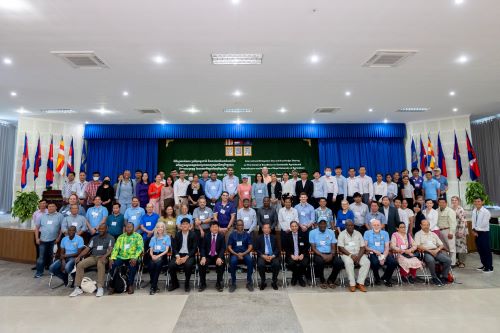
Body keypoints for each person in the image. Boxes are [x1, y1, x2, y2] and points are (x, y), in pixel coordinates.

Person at [70, 224, 114, 297]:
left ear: (106, 229)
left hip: (104, 257)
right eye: (99, 229)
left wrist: (105, 256)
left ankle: (100, 287)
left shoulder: (110, 238)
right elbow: (87, 249)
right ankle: (77, 287)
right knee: (80, 264)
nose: (100, 230)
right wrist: (79, 256)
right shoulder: (94, 238)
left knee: (100, 263)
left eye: (102, 229)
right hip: (93, 257)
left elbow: (110, 249)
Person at [109, 222, 144, 294]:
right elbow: (116, 248)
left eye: (130, 227)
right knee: (113, 265)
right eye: (127, 227)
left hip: (133, 257)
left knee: (132, 265)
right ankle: (113, 285)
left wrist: (135, 257)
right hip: (121, 257)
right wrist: (112, 258)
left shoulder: (138, 236)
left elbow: (140, 248)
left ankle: (130, 285)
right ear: (125, 228)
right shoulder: (121, 237)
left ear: (133, 228)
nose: (128, 228)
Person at [414, 220, 452, 286]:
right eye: (424, 225)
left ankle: (444, 277)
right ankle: (434, 278)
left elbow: (441, 244)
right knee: (431, 260)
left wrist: (437, 250)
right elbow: (418, 246)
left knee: (448, 260)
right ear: (421, 226)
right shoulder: (418, 234)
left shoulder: (433, 234)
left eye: (427, 225)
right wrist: (430, 251)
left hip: (436, 251)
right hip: (425, 252)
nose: (426, 226)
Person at [338, 220, 370, 292]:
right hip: (347, 254)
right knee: (349, 263)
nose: (350, 227)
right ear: (345, 226)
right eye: (348, 225)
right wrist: (350, 255)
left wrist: (358, 257)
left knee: (366, 262)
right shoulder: (342, 234)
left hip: (359, 254)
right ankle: (352, 284)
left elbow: (362, 247)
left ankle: (360, 283)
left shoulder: (358, 233)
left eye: (352, 225)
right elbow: (341, 247)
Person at [309, 219, 343, 289]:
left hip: (330, 253)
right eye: (321, 224)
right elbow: (313, 248)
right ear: (318, 224)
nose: (323, 225)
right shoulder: (312, 232)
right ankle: (322, 280)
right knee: (319, 262)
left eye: (324, 223)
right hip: (318, 254)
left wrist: (331, 254)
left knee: (339, 262)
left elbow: (333, 246)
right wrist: (322, 255)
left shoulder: (331, 232)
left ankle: (331, 279)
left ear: (327, 224)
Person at [364, 219, 397, 287]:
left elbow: (387, 247)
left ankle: (386, 278)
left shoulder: (385, 233)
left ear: (381, 225)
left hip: (384, 253)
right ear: (371, 225)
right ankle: (377, 278)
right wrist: (374, 251)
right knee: (375, 263)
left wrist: (383, 257)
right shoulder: (367, 233)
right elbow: (365, 246)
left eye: (378, 225)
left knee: (393, 262)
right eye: (374, 225)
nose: (376, 226)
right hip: (372, 253)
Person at [168, 218, 198, 292]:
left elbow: (194, 249)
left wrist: (186, 257)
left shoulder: (193, 234)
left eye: (186, 224)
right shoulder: (177, 235)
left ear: (189, 226)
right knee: (171, 265)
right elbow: (174, 248)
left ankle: (187, 283)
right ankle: (175, 283)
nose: (184, 225)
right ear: (181, 226)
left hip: (189, 255)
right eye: (183, 224)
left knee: (188, 265)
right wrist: (178, 257)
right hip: (179, 254)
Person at [34, 203, 63, 278]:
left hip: (54, 241)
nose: (51, 208)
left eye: (53, 206)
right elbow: (37, 228)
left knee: (52, 257)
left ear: (56, 207)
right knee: (41, 257)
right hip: (43, 240)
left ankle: (52, 271)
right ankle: (39, 272)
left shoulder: (60, 216)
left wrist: (59, 238)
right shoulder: (42, 216)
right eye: (49, 206)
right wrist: (37, 238)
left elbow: (62, 228)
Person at [227, 219, 254, 292]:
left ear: (243, 226)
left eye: (241, 225)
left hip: (245, 253)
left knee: (250, 261)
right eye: (238, 225)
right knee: (232, 262)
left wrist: (243, 253)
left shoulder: (247, 235)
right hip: (235, 254)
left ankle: (249, 282)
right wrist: (236, 254)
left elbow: (250, 246)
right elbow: (229, 247)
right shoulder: (232, 235)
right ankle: (233, 283)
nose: (240, 226)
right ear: (236, 226)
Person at [198, 222, 226, 292]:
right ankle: (203, 283)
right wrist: (203, 257)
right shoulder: (206, 236)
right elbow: (202, 248)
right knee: (201, 264)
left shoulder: (221, 236)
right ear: (210, 228)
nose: (214, 228)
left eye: (216, 227)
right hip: (208, 256)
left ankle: (219, 283)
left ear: (218, 228)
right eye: (213, 227)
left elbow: (223, 248)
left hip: (217, 256)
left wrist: (219, 257)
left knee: (221, 264)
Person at [283, 221, 309, 287]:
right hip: (291, 255)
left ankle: (296, 276)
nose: (294, 228)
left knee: (304, 263)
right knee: (291, 263)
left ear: (298, 227)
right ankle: (299, 277)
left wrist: (302, 254)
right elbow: (286, 247)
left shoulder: (303, 234)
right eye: (292, 226)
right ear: (290, 227)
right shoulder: (287, 235)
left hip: (302, 255)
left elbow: (307, 246)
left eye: (295, 226)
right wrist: (292, 255)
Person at [147, 221, 170, 295]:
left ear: (164, 228)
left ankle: (153, 287)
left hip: (162, 255)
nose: (160, 228)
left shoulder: (167, 237)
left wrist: (158, 256)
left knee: (157, 265)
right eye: (158, 227)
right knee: (150, 266)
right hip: (153, 255)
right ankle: (154, 284)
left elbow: (166, 250)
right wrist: (152, 255)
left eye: (161, 227)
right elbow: (151, 250)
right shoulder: (153, 238)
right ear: (156, 229)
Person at [255, 223, 281, 290]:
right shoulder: (258, 237)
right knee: (260, 264)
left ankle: (274, 281)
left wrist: (272, 256)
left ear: (270, 229)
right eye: (265, 228)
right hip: (263, 255)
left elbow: (277, 249)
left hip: (272, 255)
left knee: (277, 264)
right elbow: (257, 249)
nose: (266, 229)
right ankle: (263, 281)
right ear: (262, 229)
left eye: (268, 228)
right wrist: (263, 256)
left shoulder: (274, 237)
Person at [472, 197, 493, 273]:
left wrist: (476, 229)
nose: (477, 203)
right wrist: (473, 230)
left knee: (486, 250)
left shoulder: (486, 212)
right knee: (480, 250)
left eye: (478, 201)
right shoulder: (474, 210)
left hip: (484, 233)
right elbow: (473, 221)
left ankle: (489, 267)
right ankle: (484, 265)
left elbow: (484, 224)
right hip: (476, 232)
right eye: (475, 201)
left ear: (482, 202)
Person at [437, 198, 457, 266]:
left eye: (443, 202)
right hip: (440, 231)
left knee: (451, 248)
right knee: (444, 248)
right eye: (440, 202)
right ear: (438, 203)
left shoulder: (450, 211)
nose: (441, 204)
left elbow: (453, 223)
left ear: (446, 203)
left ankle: (453, 263)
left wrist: (451, 232)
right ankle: (446, 261)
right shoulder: (437, 210)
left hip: (448, 231)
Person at [451, 196, 468, 268]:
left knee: (462, 246)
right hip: (453, 230)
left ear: (458, 201)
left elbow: (463, 221)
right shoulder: (451, 209)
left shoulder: (460, 209)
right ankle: (457, 260)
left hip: (461, 230)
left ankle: (462, 262)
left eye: (455, 200)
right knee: (455, 246)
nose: (454, 201)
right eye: (452, 200)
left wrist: (460, 231)